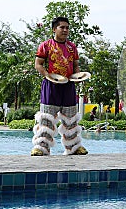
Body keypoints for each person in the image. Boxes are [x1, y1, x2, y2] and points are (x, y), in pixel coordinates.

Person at [30, 17, 88, 156]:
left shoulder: (72, 47)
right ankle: (41, 147)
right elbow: (38, 64)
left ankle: (74, 147)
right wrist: (47, 75)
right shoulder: (45, 45)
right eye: (62, 27)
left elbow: (75, 66)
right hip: (51, 85)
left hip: (68, 85)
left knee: (71, 118)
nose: (65, 30)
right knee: (47, 117)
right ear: (54, 29)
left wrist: (78, 76)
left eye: (67, 28)